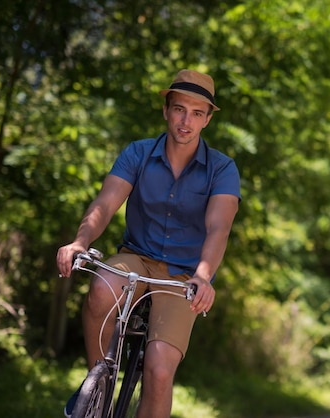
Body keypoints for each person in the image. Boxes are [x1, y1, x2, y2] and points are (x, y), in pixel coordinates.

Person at [57, 69, 241, 417]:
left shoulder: (222, 169)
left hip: (183, 276)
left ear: (207, 120)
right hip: (136, 258)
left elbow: (219, 228)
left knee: (158, 369)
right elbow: (105, 204)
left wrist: (203, 275)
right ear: (166, 110)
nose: (186, 121)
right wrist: (79, 241)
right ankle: (97, 389)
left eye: (197, 113)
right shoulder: (138, 153)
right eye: (179, 109)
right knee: (101, 288)